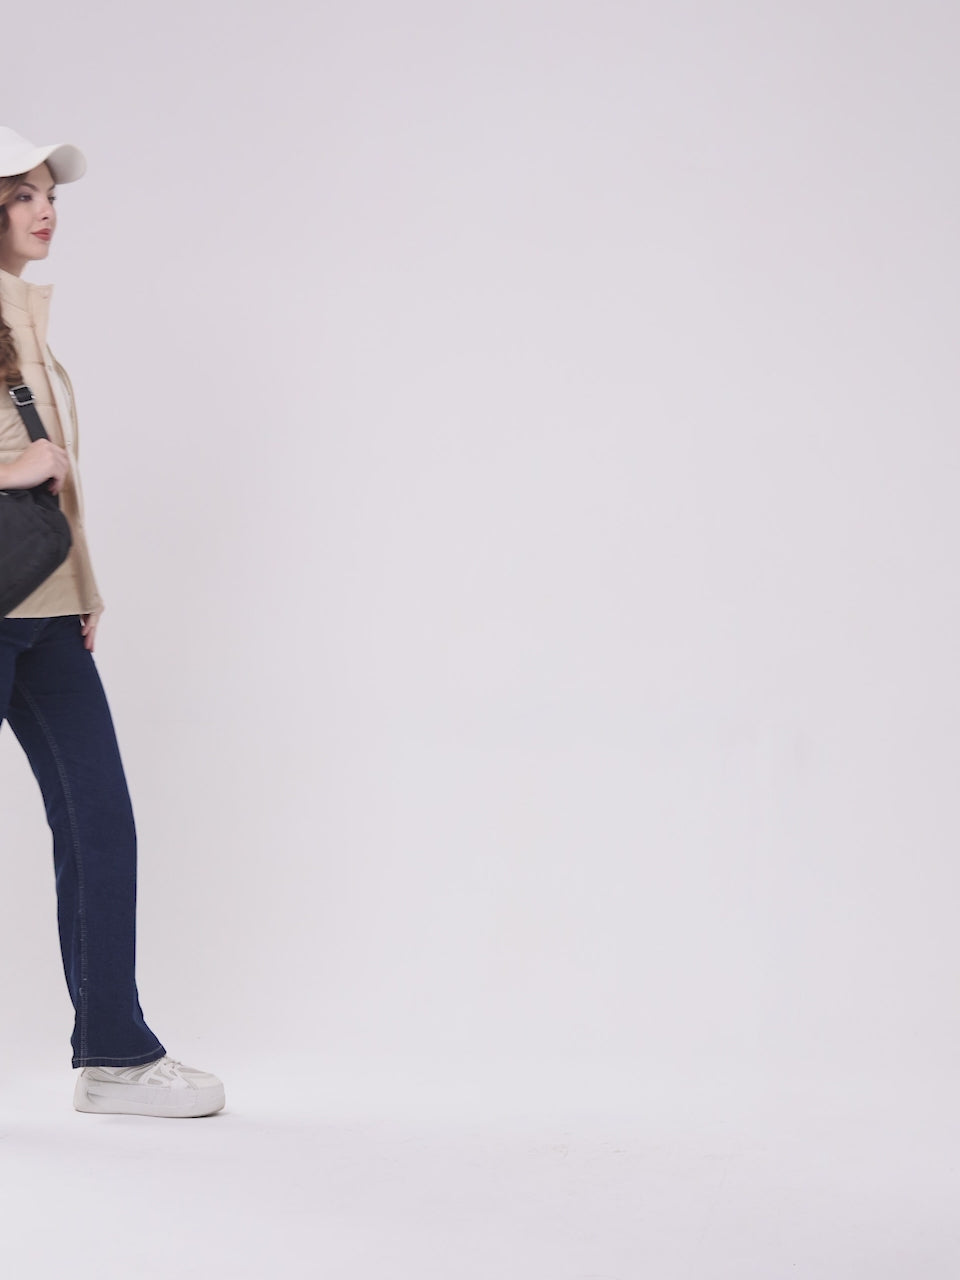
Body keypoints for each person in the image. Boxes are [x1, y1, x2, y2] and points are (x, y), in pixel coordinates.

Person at [0, 127, 224, 1118]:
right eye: (21, 195)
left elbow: (56, 485)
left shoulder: (24, 317)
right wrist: (13, 469)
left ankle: (116, 1055)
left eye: (49, 194)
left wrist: (85, 585)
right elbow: (27, 470)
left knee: (99, 821)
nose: (45, 210)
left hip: (46, 611)